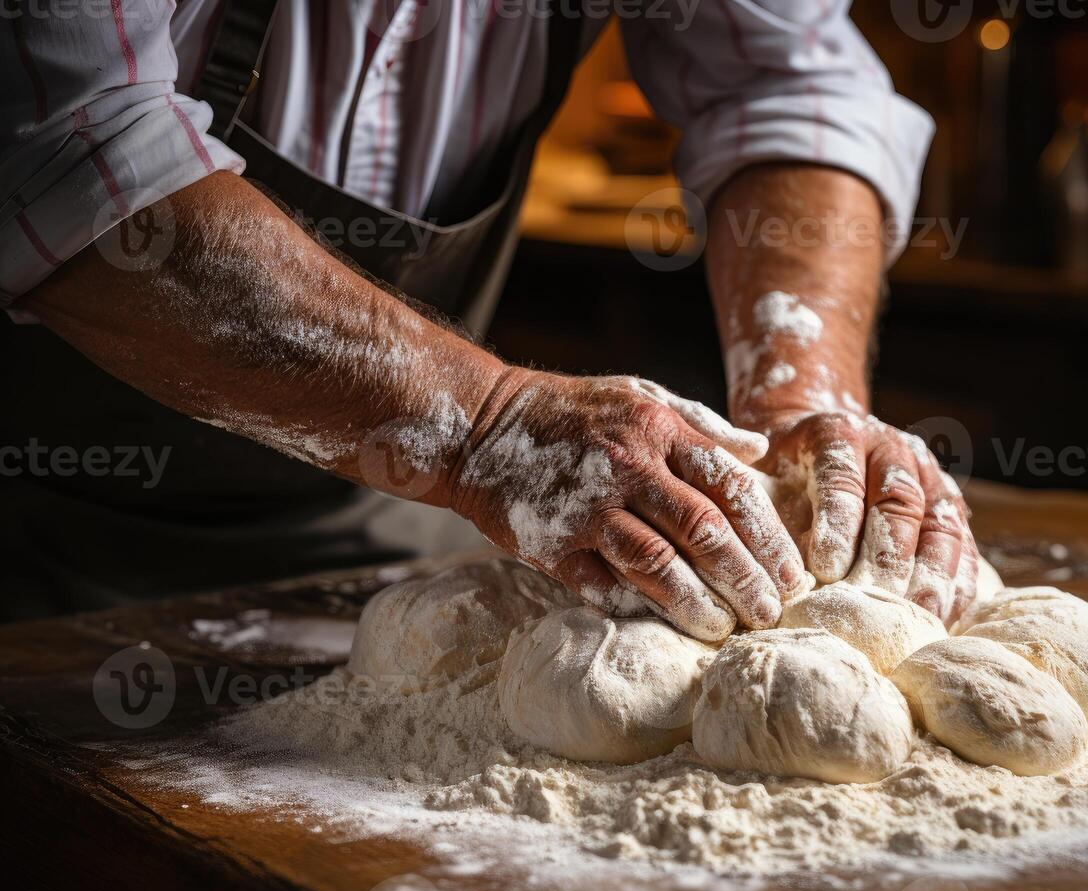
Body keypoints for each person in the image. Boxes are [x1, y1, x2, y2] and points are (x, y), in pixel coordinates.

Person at [0, 0, 984, 639]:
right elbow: (59, 150)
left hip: (373, 534)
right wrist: (484, 424)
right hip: (33, 542)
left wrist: (796, 395)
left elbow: (796, 83)